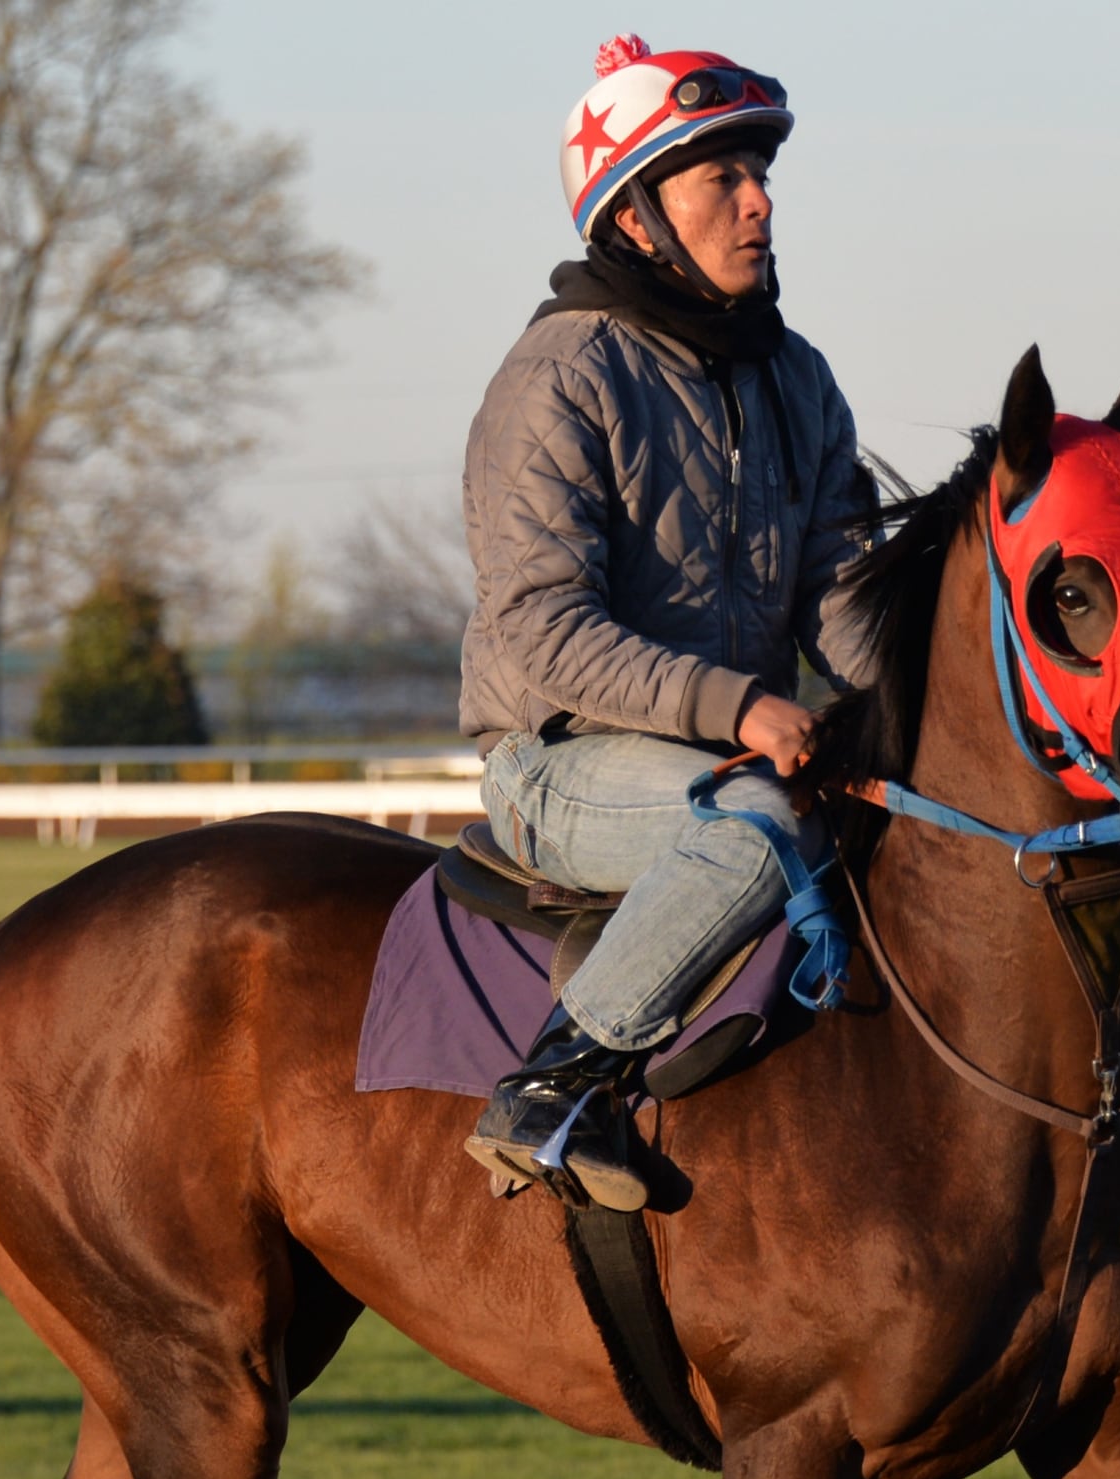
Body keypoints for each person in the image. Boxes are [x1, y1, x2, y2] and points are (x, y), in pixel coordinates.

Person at [451, 34, 876, 1208]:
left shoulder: (800, 379)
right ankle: (557, 1080)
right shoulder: (560, 376)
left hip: (728, 748)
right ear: (636, 218)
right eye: (722, 181)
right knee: (757, 827)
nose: (761, 204)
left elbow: (843, 604)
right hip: (561, 764)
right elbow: (543, 631)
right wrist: (737, 703)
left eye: (763, 175)